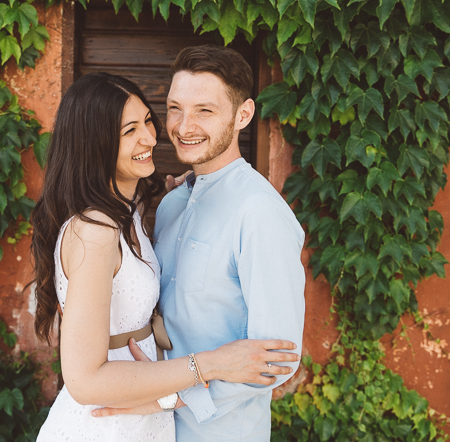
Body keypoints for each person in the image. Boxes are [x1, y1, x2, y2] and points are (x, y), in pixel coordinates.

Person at [30, 72, 301, 441]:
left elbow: (277, 358)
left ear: (243, 114)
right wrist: (208, 366)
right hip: (113, 419)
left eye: (147, 120)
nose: (151, 137)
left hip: (180, 420)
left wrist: (169, 399)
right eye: (129, 130)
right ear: (96, 142)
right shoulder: (105, 227)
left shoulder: (149, 209)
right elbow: (84, 377)